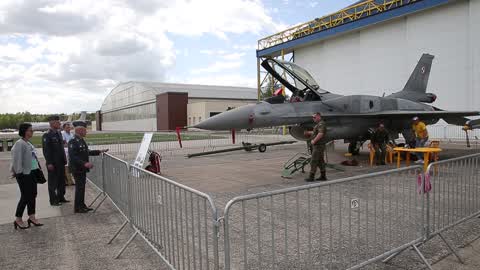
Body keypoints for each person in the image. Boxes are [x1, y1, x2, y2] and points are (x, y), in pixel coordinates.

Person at [68, 122, 107, 213]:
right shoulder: (73, 141)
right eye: (85, 130)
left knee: (81, 188)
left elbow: (86, 152)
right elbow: (73, 156)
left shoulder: (81, 140)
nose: (86, 132)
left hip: (81, 168)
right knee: (79, 188)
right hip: (77, 168)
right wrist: (84, 163)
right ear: (80, 130)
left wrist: (99, 151)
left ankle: (81, 205)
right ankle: (78, 208)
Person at [11, 123, 44, 229]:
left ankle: (32, 216)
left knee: (33, 194)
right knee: (25, 196)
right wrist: (19, 173)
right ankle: (18, 219)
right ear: (24, 131)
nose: (32, 132)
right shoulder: (19, 143)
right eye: (30, 130)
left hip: (33, 172)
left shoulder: (28, 143)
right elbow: (17, 159)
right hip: (24, 174)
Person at [42, 115, 69, 206]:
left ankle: (61, 197)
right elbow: (46, 150)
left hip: (61, 162)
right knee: (53, 182)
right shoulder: (47, 135)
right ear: (52, 123)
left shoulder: (58, 133)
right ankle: (53, 200)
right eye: (58, 122)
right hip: (53, 163)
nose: (60, 123)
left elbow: (61, 148)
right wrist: (49, 162)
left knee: (61, 181)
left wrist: (64, 159)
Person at [304, 112, 327, 182]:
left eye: (314, 117)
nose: (313, 119)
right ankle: (323, 176)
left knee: (313, 161)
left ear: (318, 116)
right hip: (318, 145)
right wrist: (308, 132)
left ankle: (311, 177)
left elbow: (320, 134)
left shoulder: (321, 124)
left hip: (318, 146)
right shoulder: (318, 124)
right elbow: (316, 132)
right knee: (320, 161)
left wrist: (314, 141)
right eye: (312, 117)